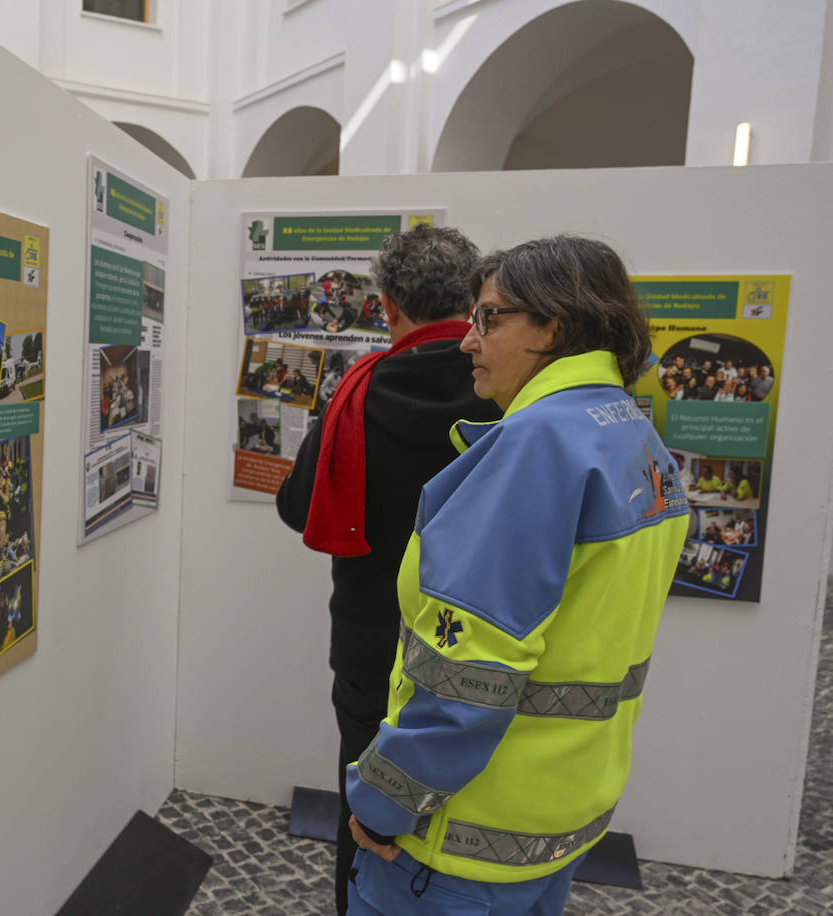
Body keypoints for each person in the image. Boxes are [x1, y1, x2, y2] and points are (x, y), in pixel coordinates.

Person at [342, 236, 688, 916]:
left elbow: (467, 676)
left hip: (456, 836)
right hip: (558, 814)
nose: (470, 340)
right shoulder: (632, 434)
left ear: (552, 326)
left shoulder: (535, 448)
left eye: (488, 318)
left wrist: (381, 804)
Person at [275, 224, 499, 916]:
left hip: (374, 645)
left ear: (388, 307)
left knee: (365, 806)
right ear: (472, 300)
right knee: (477, 807)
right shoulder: (508, 393)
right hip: (484, 648)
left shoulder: (359, 392)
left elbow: (296, 505)